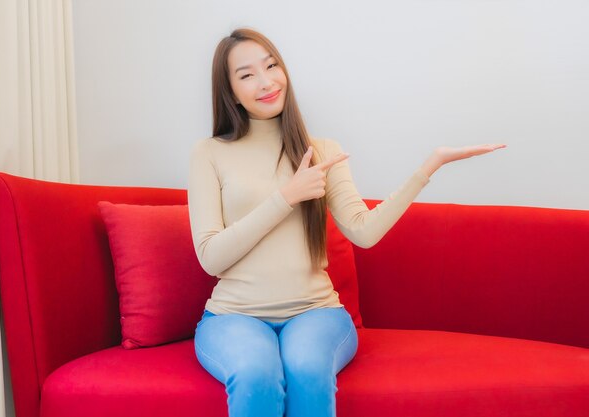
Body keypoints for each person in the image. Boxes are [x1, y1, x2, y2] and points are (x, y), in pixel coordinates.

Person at [187, 27, 506, 417]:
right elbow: (210, 257)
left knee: (306, 368)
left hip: (315, 313)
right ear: (229, 90)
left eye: (272, 66)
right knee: (256, 374)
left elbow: (364, 231)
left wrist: (430, 165)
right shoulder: (209, 154)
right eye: (247, 74)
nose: (267, 81)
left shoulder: (322, 151)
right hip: (232, 317)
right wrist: (287, 196)